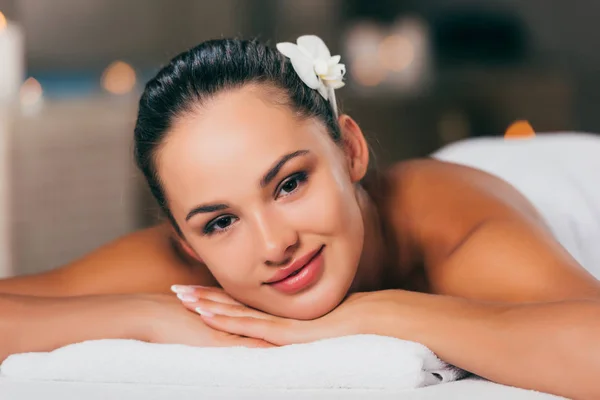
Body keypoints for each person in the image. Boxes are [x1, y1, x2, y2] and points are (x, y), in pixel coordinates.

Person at [1, 36, 599, 400]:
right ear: (183, 241)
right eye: (218, 222)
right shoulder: (190, 270)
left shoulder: (455, 231)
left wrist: (379, 313)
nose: (274, 243)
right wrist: (146, 316)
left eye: (289, 183)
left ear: (351, 150)